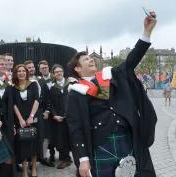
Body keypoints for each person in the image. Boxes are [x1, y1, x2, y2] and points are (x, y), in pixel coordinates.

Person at [66, 13, 157, 177]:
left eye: (90, 58)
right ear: (77, 69)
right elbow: (75, 127)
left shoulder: (110, 76)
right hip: (100, 144)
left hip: (126, 138)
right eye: (86, 60)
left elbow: (131, 61)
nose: (91, 60)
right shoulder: (76, 92)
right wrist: (83, 159)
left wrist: (146, 32)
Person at [12, 64, 40, 177]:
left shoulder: (33, 84)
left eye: (23, 71)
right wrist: (20, 119)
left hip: (32, 118)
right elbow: (13, 104)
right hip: (20, 119)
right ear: (16, 73)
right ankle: (24, 170)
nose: (21, 73)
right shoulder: (13, 87)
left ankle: (33, 169)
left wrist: (31, 116)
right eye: (19, 71)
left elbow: (37, 100)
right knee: (22, 145)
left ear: (26, 73)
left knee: (33, 143)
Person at [0, 55, 16, 177]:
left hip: (7, 123)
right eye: (0, 63)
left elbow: (10, 105)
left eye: (4, 64)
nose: (3, 66)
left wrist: (12, 125)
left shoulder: (7, 84)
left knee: (7, 153)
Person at [49, 64, 73, 169]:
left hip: (71, 116)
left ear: (63, 72)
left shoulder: (71, 83)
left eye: (60, 71)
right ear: (53, 74)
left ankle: (72, 158)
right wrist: (54, 115)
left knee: (72, 138)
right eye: (56, 72)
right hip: (59, 118)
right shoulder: (52, 88)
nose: (59, 73)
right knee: (61, 140)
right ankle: (65, 159)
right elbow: (51, 104)